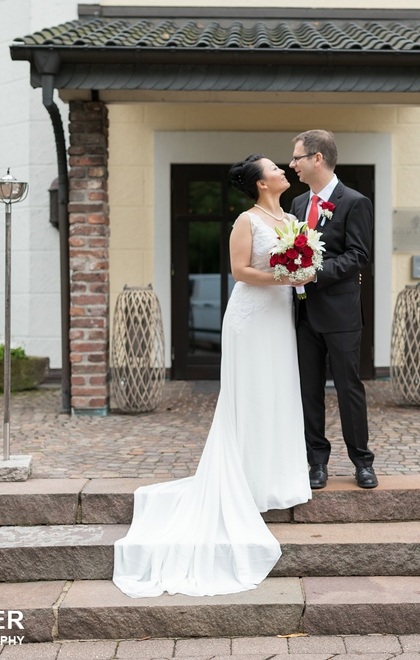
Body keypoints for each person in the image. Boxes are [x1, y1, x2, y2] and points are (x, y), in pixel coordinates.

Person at [113, 155, 312, 598]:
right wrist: (286, 275)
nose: (283, 170)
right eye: (274, 169)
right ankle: (248, 481)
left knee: (278, 390)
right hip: (251, 314)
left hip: (280, 315)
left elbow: (295, 264)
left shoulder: (291, 215)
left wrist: (301, 273)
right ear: (262, 183)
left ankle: (278, 478)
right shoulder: (247, 220)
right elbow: (240, 271)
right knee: (252, 393)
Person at [288, 130, 377, 490]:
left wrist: (313, 274)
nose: (292, 164)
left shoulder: (355, 201)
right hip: (304, 315)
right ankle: (317, 463)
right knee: (309, 390)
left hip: (341, 316)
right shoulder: (296, 205)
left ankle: (362, 462)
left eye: (297, 158)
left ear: (317, 159)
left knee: (348, 389)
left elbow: (358, 256)